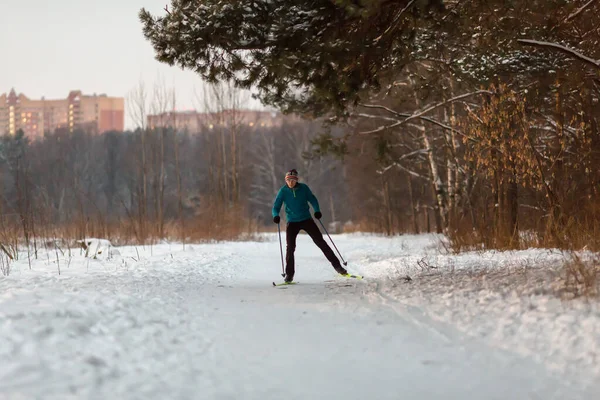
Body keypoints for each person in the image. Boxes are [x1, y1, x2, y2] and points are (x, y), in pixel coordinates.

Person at [272, 169, 348, 282]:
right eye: (288, 180)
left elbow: (313, 199)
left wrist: (317, 210)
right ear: (286, 181)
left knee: (321, 242)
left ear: (296, 180)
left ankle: (338, 267)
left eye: (292, 180)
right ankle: (289, 275)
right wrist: (275, 215)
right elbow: (276, 206)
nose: (290, 182)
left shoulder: (303, 188)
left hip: (306, 219)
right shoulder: (283, 191)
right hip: (292, 222)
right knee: (290, 248)